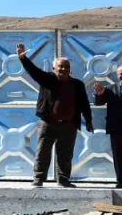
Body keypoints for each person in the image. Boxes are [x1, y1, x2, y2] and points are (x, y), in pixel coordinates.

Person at [17, 43, 93, 188]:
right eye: (60, 66)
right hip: (48, 123)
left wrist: (88, 121)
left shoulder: (77, 84)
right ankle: (39, 178)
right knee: (43, 152)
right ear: (54, 68)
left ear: (70, 69)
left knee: (65, 154)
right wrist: (23, 59)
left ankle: (63, 180)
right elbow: (34, 72)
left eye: (66, 67)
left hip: (69, 125)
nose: (64, 69)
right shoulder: (48, 79)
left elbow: (84, 104)